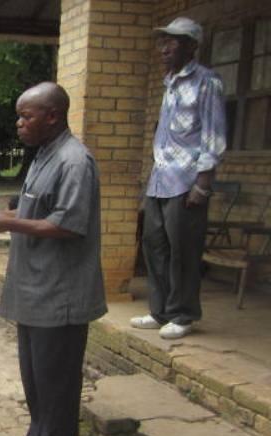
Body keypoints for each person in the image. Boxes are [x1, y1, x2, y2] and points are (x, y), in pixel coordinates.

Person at [0, 82, 107, 436]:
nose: (18, 124)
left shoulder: (75, 161)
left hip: (60, 293)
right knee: (35, 378)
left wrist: (8, 224)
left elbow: (67, 223)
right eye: (18, 116)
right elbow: (37, 208)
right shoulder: (44, 155)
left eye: (25, 116)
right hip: (33, 288)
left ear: (52, 116)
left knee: (58, 380)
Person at [130, 17, 226, 340]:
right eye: (163, 41)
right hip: (160, 180)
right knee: (154, 245)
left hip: (187, 183)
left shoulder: (207, 82)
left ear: (191, 46)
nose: (164, 48)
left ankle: (183, 314)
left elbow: (213, 136)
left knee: (183, 251)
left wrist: (203, 184)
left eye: (173, 41)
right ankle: (160, 311)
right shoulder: (169, 82)